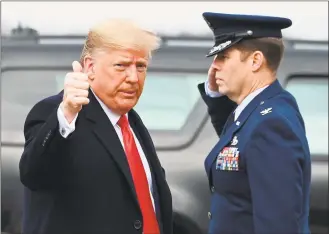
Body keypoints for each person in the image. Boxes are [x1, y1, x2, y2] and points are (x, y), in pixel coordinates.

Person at [19, 19, 173, 234]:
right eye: (121, 65)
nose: (133, 78)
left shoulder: (132, 122)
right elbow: (33, 175)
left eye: (141, 67)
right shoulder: (57, 114)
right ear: (90, 67)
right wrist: (67, 114)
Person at [197, 12, 311, 234]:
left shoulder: (271, 124)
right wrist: (216, 95)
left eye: (224, 56)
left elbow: (277, 224)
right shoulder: (262, 109)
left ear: (255, 61)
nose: (214, 66)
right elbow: (238, 144)